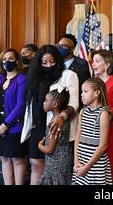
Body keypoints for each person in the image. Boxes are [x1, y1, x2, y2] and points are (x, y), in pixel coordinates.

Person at [25, 45, 79, 184]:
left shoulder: (69, 75)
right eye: (44, 62)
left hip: (56, 126)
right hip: (38, 125)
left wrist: (62, 116)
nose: (48, 65)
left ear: (58, 60)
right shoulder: (36, 76)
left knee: (53, 169)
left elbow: (74, 104)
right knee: (35, 162)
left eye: (52, 61)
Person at [0, 48, 27, 185]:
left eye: (10, 58)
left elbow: (21, 105)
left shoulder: (22, 78)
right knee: (4, 159)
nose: (7, 61)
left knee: (17, 159)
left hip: (14, 127)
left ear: (16, 61)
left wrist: (5, 125)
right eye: (4, 59)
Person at [92, 50, 113, 184]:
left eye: (97, 61)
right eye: (93, 61)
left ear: (107, 65)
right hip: (96, 131)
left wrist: (100, 110)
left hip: (112, 131)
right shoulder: (94, 82)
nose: (93, 64)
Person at [72, 77, 112, 185]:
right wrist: (76, 161)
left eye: (85, 91)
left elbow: (103, 145)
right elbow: (78, 138)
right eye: (82, 91)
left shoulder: (103, 114)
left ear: (96, 93)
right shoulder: (83, 112)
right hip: (81, 162)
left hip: (95, 166)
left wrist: (86, 168)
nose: (82, 94)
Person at [38, 89, 72, 185]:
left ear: (55, 104)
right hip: (64, 159)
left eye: (46, 101)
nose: (43, 103)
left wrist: (40, 145)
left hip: (56, 163)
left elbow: (49, 149)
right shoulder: (64, 120)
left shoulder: (55, 123)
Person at [56, 33, 90, 109]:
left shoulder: (82, 65)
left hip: (75, 106)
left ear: (72, 50)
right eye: (58, 46)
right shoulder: (55, 63)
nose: (59, 48)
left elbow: (85, 87)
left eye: (63, 46)